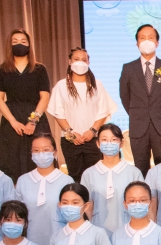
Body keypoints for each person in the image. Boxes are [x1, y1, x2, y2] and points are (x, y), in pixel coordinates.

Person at [46, 47, 117, 183]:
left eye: (84, 60)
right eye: (76, 59)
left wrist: (92, 131)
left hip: (93, 139)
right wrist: (71, 133)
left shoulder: (97, 84)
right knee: (75, 177)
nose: (80, 63)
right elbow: (58, 113)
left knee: (96, 177)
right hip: (70, 140)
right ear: (70, 62)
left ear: (89, 62)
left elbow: (103, 110)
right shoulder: (61, 86)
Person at [119, 24, 161, 176]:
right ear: (137, 43)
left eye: (150, 37)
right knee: (141, 168)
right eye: (142, 38)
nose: (146, 41)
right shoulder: (128, 68)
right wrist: (137, 113)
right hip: (138, 126)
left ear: (157, 43)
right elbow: (125, 97)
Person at [0, 28, 51, 183]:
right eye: (15, 41)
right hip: (11, 118)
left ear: (29, 45)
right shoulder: (2, 69)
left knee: (38, 157)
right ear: (9, 45)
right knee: (11, 159)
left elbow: (44, 97)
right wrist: (12, 121)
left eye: (23, 41)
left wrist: (33, 121)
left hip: (35, 116)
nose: (19, 44)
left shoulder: (39, 69)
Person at [16, 133, 74, 245]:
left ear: (55, 152)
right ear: (31, 153)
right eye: (36, 150)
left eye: (46, 150)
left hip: (60, 240)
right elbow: (17, 215)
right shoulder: (23, 180)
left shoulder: (67, 181)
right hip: (30, 241)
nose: (41, 154)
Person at [81, 123, 143, 238]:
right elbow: (87, 207)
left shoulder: (134, 173)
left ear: (121, 143)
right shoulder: (89, 174)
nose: (109, 143)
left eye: (114, 140)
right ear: (98, 143)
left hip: (129, 233)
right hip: (98, 232)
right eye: (104, 140)